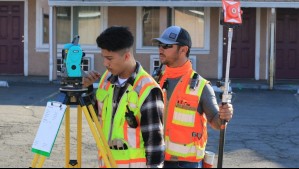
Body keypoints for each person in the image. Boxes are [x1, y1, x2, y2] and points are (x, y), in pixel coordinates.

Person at [152, 26, 234, 168]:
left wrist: (224, 114)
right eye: (160, 45)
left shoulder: (201, 86)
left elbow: (216, 122)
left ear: (183, 50)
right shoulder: (154, 81)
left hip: (186, 164)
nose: (161, 49)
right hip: (156, 160)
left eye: (166, 46)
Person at [83, 26, 165, 168]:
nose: (105, 63)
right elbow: (96, 118)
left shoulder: (147, 89)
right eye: (103, 57)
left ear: (126, 56)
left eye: (109, 58)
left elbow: (155, 145)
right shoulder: (106, 79)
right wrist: (88, 90)